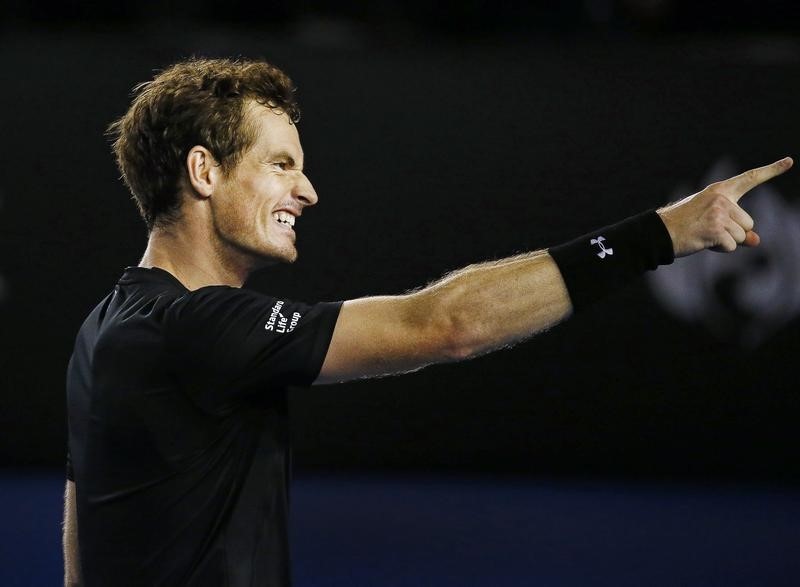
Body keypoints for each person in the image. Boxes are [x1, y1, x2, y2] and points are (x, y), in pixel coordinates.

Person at [63, 57, 792, 587]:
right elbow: (447, 323)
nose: (308, 190)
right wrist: (659, 234)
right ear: (203, 170)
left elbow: (82, 519)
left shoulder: (107, 324)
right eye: (281, 164)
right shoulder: (196, 326)